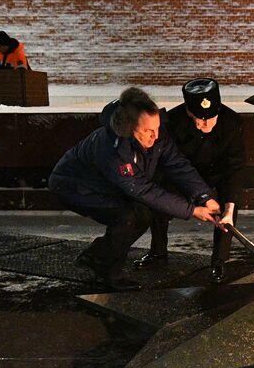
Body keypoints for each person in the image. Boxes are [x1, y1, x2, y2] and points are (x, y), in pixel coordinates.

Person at [49, 86, 220, 291]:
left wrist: (204, 197)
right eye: (148, 131)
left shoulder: (155, 132)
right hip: (75, 186)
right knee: (127, 217)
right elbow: (142, 190)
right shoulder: (113, 149)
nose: (155, 136)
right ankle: (107, 274)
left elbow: (178, 165)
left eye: (157, 128)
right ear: (129, 127)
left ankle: (96, 255)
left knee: (143, 215)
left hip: (107, 186)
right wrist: (192, 210)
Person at [141, 78, 245, 282]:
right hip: (181, 176)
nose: (203, 125)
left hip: (217, 175)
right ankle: (158, 252)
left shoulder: (232, 122)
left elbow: (235, 166)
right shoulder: (172, 121)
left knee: (228, 205)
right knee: (159, 197)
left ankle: (219, 261)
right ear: (188, 110)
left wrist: (230, 208)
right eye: (197, 118)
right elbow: (168, 162)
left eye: (209, 118)